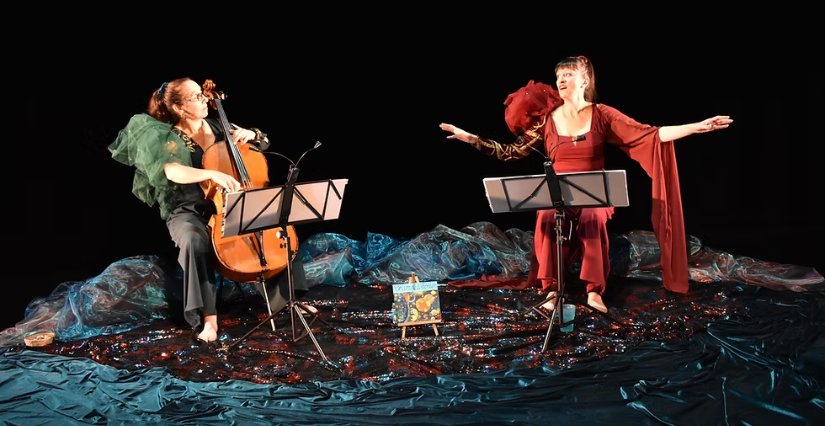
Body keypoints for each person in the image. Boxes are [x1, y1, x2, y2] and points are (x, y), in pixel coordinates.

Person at [440, 56, 732, 313]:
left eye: (568, 74)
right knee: (547, 216)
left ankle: (594, 291)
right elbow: (511, 152)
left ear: (584, 79)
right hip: (557, 193)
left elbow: (650, 135)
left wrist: (697, 127)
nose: (561, 80)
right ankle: (552, 289)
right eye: (559, 76)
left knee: (592, 218)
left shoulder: (602, 114)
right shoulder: (546, 120)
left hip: (594, 193)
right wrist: (472, 139)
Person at [109, 77, 314, 343]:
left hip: (231, 203)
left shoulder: (219, 126)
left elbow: (263, 142)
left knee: (277, 221)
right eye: (196, 97)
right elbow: (172, 171)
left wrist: (251, 134)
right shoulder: (166, 136)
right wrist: (211, 174)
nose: (205, 99)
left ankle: (288, 299)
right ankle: (208, 318)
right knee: (194, 240)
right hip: (189, 208)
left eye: (203, 94)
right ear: (179, 108)